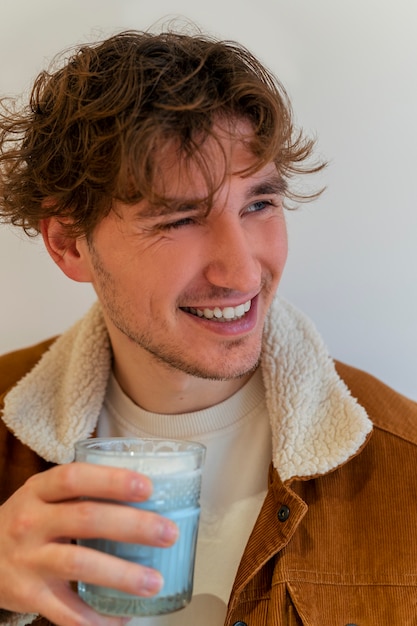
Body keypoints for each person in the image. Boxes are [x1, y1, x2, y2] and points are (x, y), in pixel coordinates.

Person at [0, 27, 416, 626]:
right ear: (69, 244)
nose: (243, 270)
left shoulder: (408, 467)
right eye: (180, 218)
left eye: (259, 204)